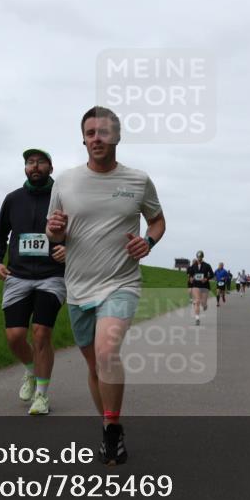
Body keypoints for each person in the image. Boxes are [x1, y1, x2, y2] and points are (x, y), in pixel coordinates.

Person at [46, 106, 165, 466]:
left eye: (104, 132)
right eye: (91, 132)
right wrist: (54, 233)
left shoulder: (137, 181)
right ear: (83, 138)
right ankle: (108, 423)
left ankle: (112, 431)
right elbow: (53, 231)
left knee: (106, 353)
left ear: (116, 136)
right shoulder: (65, 181)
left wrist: (149, 242)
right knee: (94, 365)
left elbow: (156, 220)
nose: (97, 138)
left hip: (121, 281)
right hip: (78, 286)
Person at [0, 148, 67, 416]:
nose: (35, 167)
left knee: (42, 332)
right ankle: (31, 370)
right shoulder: (13, 199)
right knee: (15, 336)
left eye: (40, 162)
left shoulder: (63, 198)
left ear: (50, 167)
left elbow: (81, 232)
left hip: (52, 276)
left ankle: (42, 396)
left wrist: (69, 250)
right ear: (25, 168)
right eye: (30, 162)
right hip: (18, 276)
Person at [186, 251, 213, 325]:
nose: (199, 259)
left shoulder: (207, 265)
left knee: (203, 303)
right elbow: (190, 274)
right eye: (198, 257)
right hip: (196, 285)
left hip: (204, 286)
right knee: (197, 301)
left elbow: (212, 274)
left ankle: (205, 305)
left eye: (200, 257)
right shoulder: (193, 265)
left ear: (202, 257)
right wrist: (191, 278)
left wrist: (206, 279)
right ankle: (197, 318)